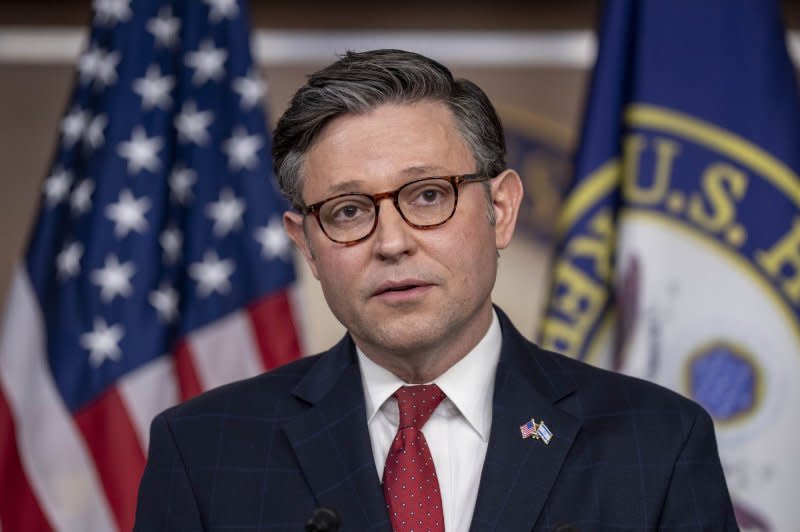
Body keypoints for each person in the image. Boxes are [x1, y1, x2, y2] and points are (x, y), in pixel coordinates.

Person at [134, 49, 737, 531]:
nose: (391, 242)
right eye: (347, 211)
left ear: (500, 210)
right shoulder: (204, 450)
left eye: (428, 196)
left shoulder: (656, 440)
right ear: (306, 244)